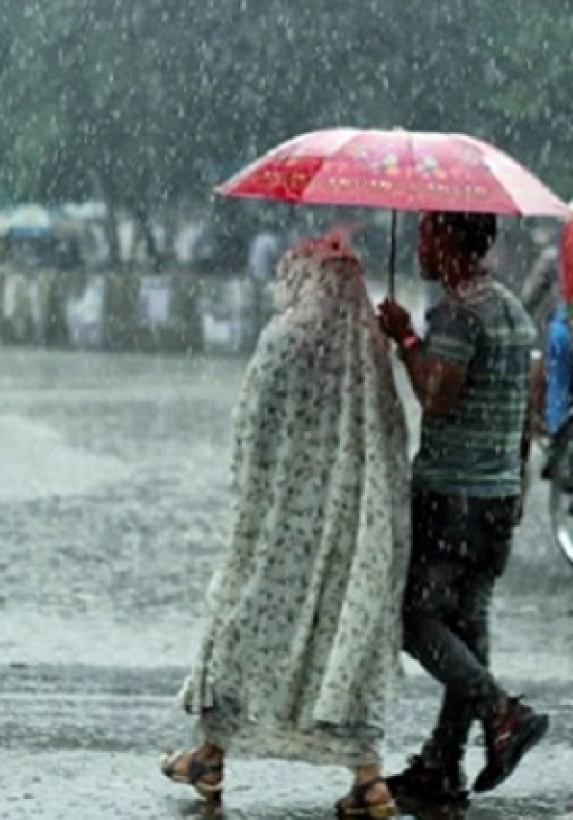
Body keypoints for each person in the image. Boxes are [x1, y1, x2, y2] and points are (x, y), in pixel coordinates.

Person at [162, 231, 412, 818]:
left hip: (281, 525)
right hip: (350, 531)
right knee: (341, 639)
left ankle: (211, 752)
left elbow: (251, 431)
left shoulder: (282, 340)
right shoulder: (368, 348)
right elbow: (390, 434)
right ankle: (368, 776)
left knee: (243, 623)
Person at [376, 211, 551, 809]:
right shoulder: (513, 309)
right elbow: (526, 411)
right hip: (498, 496)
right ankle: (442, 766)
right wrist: (519, 484)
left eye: (429, 233)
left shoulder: (458, 311)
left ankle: (502, 711)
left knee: (412, 620)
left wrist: (403, 338)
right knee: (468, 625)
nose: (422, 243)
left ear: (451, 241)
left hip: (452, 497)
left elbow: (436, 395)